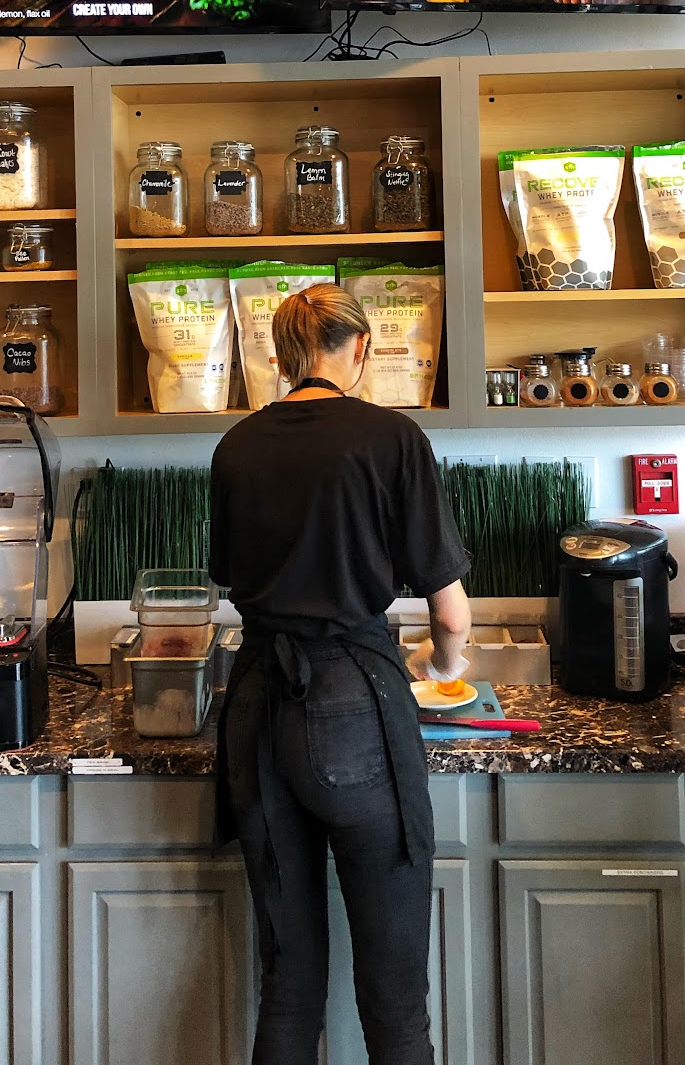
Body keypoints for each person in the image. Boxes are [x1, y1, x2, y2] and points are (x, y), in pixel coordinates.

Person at [209, 283, 471, 1065]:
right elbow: (451, 615)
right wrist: (443, 664)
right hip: (354, 702)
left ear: (282, 353)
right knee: (394, 998)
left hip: (258, 703)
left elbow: (230, 577)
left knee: (288, 987)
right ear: (359, 347)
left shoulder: (237, 445)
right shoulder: (391, 438)